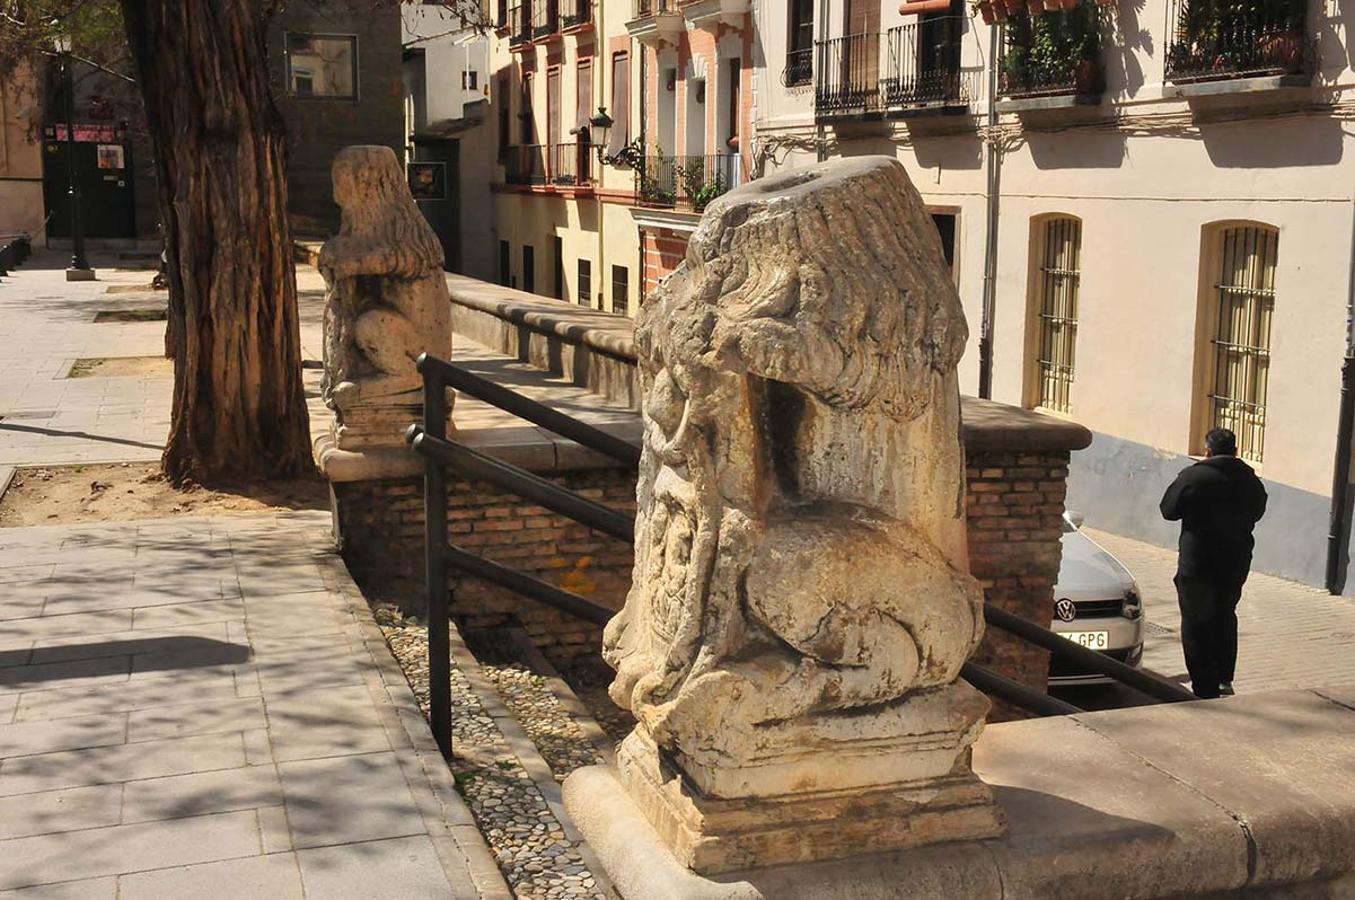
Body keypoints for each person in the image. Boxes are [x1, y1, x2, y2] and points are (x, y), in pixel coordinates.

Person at [1159, 428, 1267, 699]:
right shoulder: (1250, 480)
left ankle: (1203, 685)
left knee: (1196, 621)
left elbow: (1168, 510)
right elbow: (1258, 511)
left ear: (1208, 450)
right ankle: (1224, 679)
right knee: (1224, 615)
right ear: (1235, 451)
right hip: (1235, 561)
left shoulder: (1194, 476)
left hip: (1198, 562)